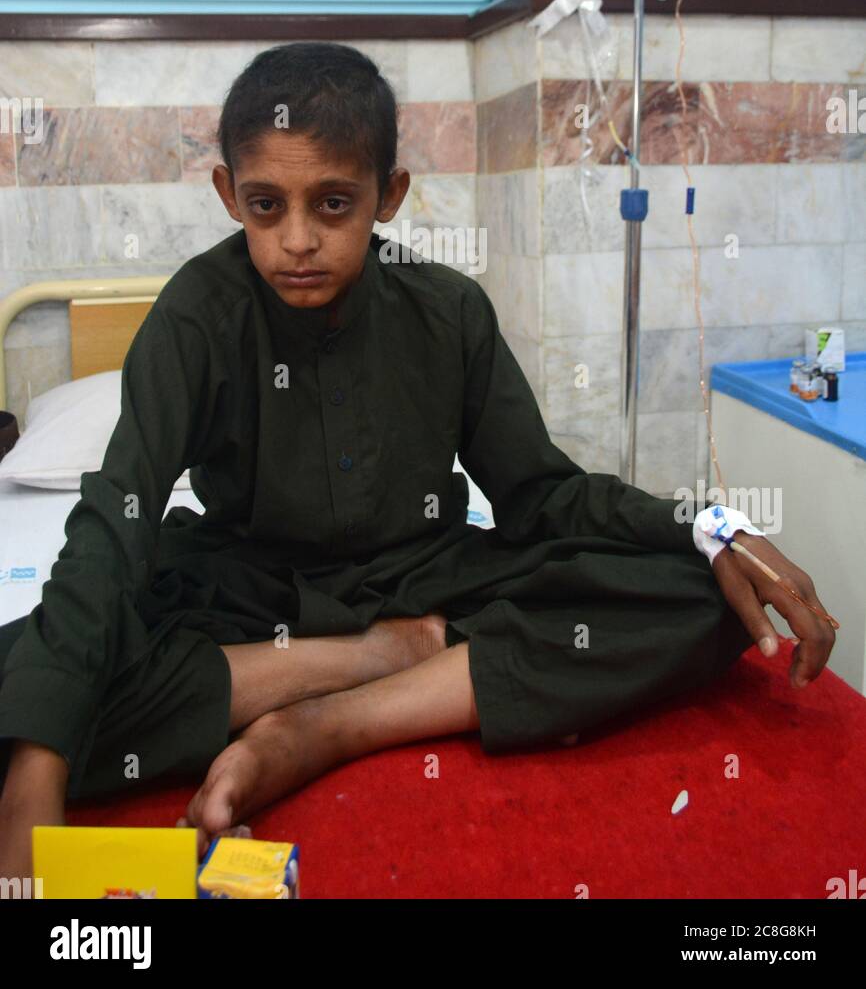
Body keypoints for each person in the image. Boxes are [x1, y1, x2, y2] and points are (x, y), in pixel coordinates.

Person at [0, 43, 836, 876]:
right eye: (266, 205)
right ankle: (378, 661)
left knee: (699, 592)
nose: (297, 240)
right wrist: (35, 776)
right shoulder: (196, 315)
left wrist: (710, 526)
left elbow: (542, 498)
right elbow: (118, 519)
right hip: (248, 596)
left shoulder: (448, 312)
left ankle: (326, 724)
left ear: (388, 196)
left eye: (333, 204)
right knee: (36, 672)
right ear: (228, 195)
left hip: (426, 577)